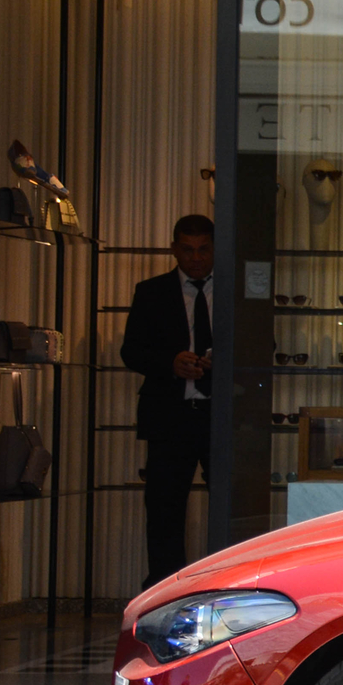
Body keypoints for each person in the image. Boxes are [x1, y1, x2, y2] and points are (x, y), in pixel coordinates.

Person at [121, 214, 216, 587]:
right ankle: (164, 590)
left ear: (215, 249)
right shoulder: (151, 291)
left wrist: (219, 362)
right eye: (188, 250)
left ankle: (227, 589)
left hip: (219, 415)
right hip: (169, 416)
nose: (195, 258)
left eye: (203, 249)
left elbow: (262, 346)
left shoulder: (234, 290)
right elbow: (131, 352)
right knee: (164, 510)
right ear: (174, 249)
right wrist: (170, 363)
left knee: (230, 510)